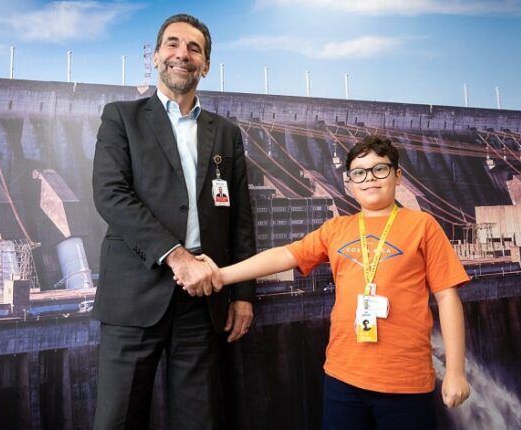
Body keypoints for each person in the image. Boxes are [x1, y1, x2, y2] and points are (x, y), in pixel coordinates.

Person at [192, 136, 471, 429]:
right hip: (343, 379)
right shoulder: (337, 228)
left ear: (398, 176)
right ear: (348, 182)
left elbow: (447, 297)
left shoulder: (423, 225)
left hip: (406, 383)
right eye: (359, 173)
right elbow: (285, 255)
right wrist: (222, 275)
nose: (369, 179)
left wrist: (455, 372)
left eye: (380, 169)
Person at [91, 13, 256, 430]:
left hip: (202, 302)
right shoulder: (121, 117)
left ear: (205, 65)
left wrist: (244, 295)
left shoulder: (226, 133)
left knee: (200, 420)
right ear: (157, 56)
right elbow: (111, 194)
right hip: (135, 298)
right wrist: (176, 256)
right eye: (173, 44)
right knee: (117, 420)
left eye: (194, 48)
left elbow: (240, 219)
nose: (182, 54)